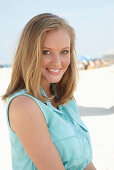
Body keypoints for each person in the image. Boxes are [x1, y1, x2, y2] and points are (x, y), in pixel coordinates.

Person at [2, 13, 96, 170]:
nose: (57, 62)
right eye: (46, 52)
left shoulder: (67, 100)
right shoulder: (24, 106)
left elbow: (85, 164)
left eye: (64, 51)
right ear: (29, 54)